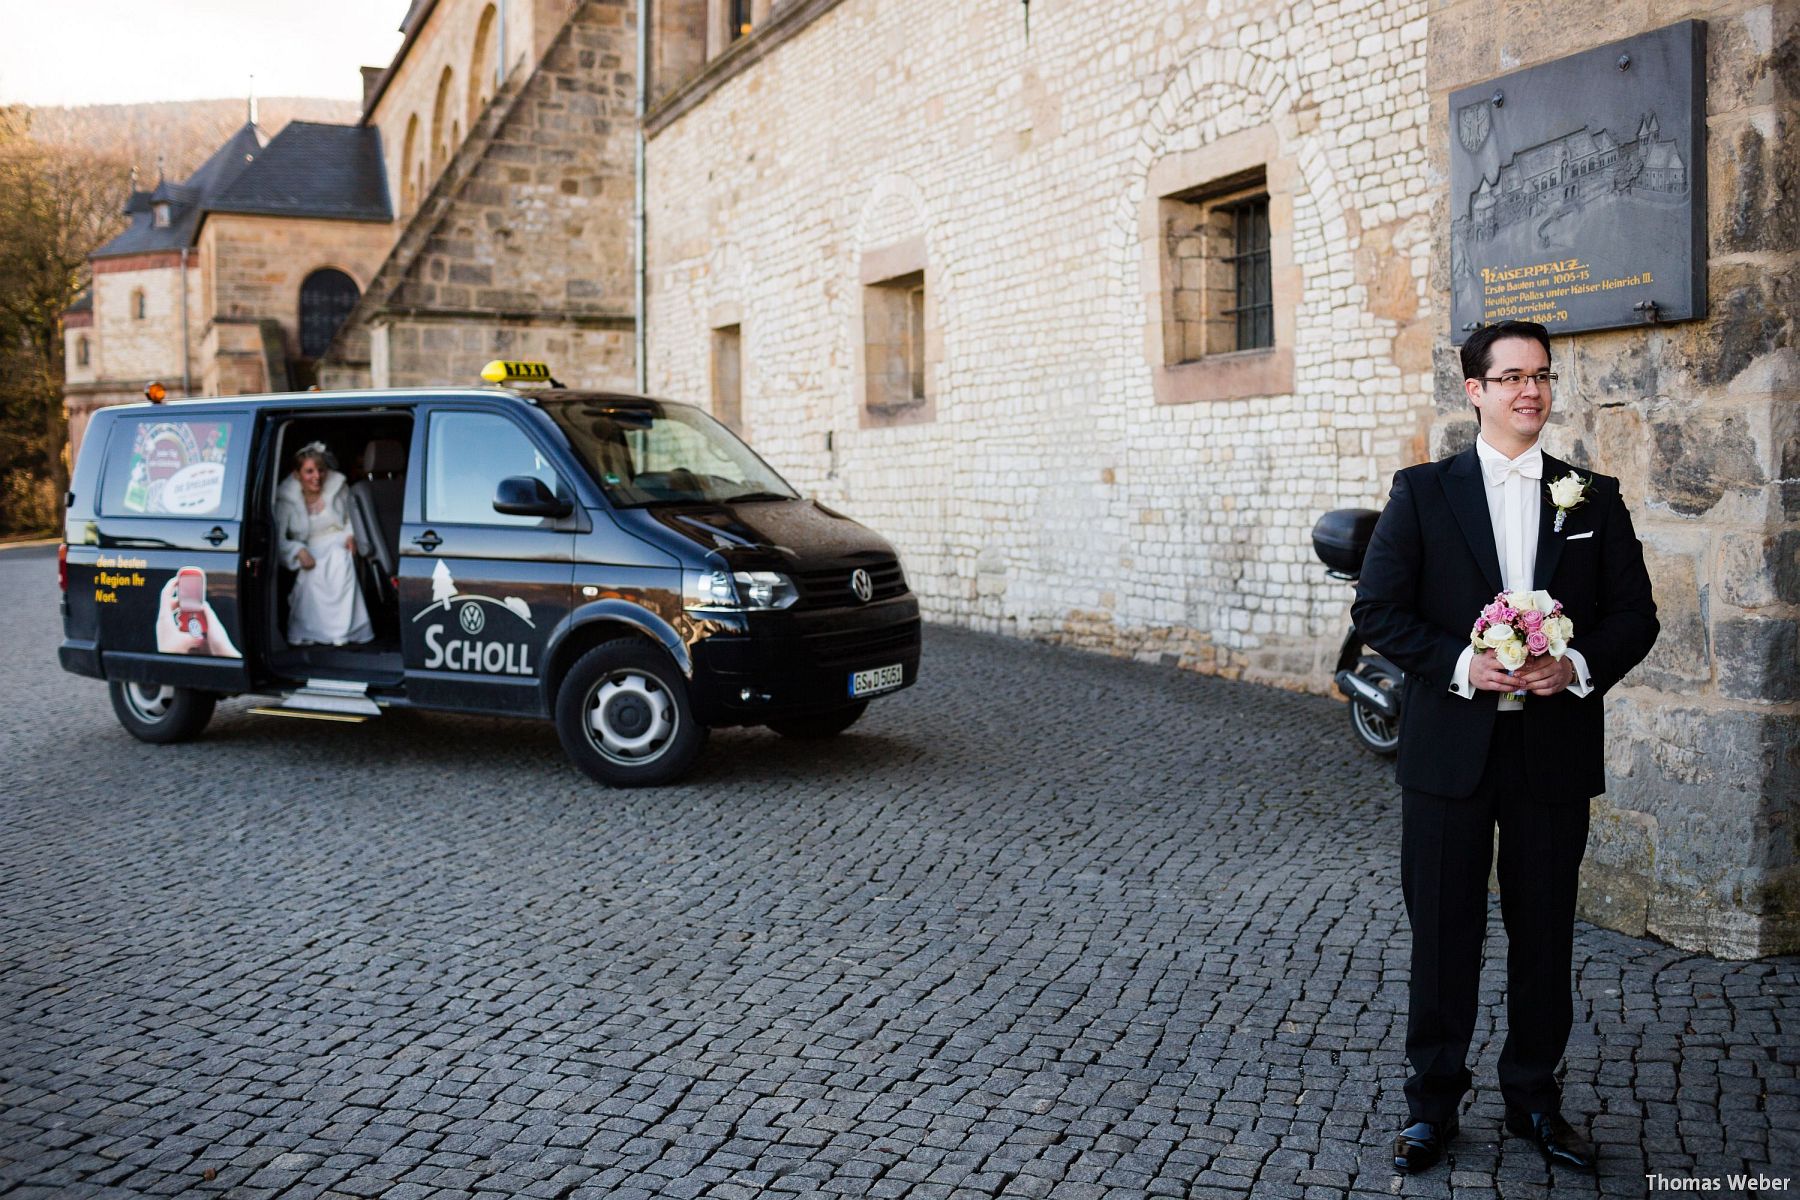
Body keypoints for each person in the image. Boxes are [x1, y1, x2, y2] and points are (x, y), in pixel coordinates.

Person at [1352, 320, 1658, 1176]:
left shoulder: (1592, 496)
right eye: (1513, 376)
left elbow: (1636, 615)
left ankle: (1534, 1099)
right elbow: (1376, 612)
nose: (1532, 390)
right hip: (1449, 757)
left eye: (1544, 376)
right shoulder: (1423, 491)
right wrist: (1462, 666)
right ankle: (1431, 1106)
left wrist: (1577, 665)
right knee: (1444, 934)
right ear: (1475, 391)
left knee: (1545, 934)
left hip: (1552, 756)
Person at [275, 442, 373, 646]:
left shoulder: (339, 487)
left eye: (321, 470)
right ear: (297, 474)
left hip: (338, 540)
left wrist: (350, 535)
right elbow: (278, 538)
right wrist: (298, 550)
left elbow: (351, 519)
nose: (317, 476)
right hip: (309, 545)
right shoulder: (286, 499)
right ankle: (313, 632)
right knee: (311, 573)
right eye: (309, 471)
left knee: (339, 559)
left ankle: (342, 632)